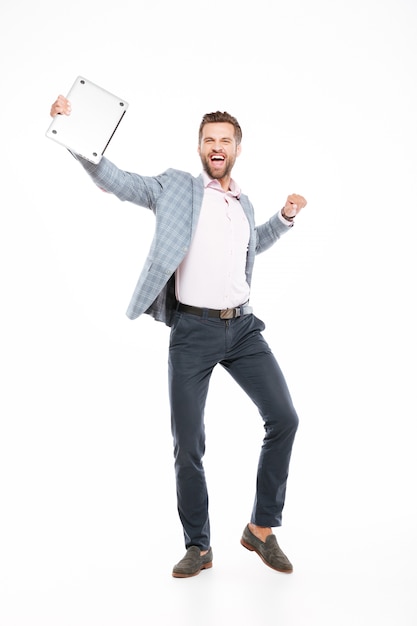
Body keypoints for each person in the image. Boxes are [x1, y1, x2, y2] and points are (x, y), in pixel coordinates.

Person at [49, 95, 307, 578]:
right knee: (188, 443)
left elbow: (254, 248)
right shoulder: (175, 188)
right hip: (193, 331)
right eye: (209, 139)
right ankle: (199, 546)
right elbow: (117, 181)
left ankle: (262, 530)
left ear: (236, 149)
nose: (216, 146)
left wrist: (284, 219)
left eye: (224, 141)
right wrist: (73, 133)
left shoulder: (243, 203)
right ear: (199, 147)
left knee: (285, 419)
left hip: (244, 328)